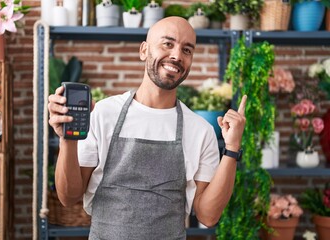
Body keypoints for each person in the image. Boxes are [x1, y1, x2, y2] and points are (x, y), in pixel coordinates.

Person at [48, 16, 246, 240]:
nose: (176, 55)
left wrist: (231, 148)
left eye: (187, 50)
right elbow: (68, 197)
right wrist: (67, 139)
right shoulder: (103, 113)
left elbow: (208, 216)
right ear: (144, 50)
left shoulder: (200, 131)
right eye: (167, 44)